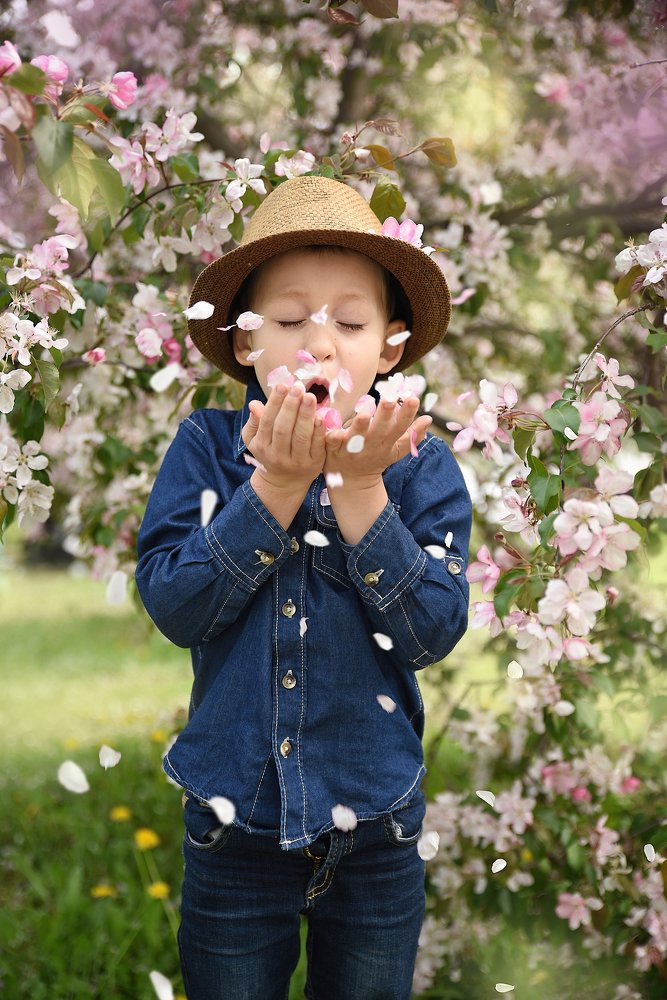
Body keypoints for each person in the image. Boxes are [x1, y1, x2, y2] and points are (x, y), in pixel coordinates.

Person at [135, 175, 472, 1000]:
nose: (318, 342)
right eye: (287, 320)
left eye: (349, 322)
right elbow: (177, 607)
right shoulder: (208, 448)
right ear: (245, 342)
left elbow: (431, 631)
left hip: (377, 823)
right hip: (232, 822)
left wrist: (361, 493)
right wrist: (275, 490)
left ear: (387, 350)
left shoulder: (419, 466)